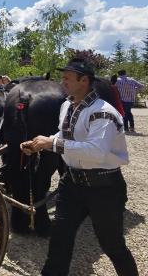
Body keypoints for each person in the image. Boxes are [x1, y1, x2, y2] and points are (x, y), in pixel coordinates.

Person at [20, 58, 138, 276]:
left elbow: (96, 152)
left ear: (84, 80)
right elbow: (64, 135)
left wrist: (52, 143)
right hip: (72, 184)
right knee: (59, 240)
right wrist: (41, 143)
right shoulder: (67, 105)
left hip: (104, 188)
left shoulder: (103, 112)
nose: (61, 81)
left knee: (112, 245)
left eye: (67, 78)